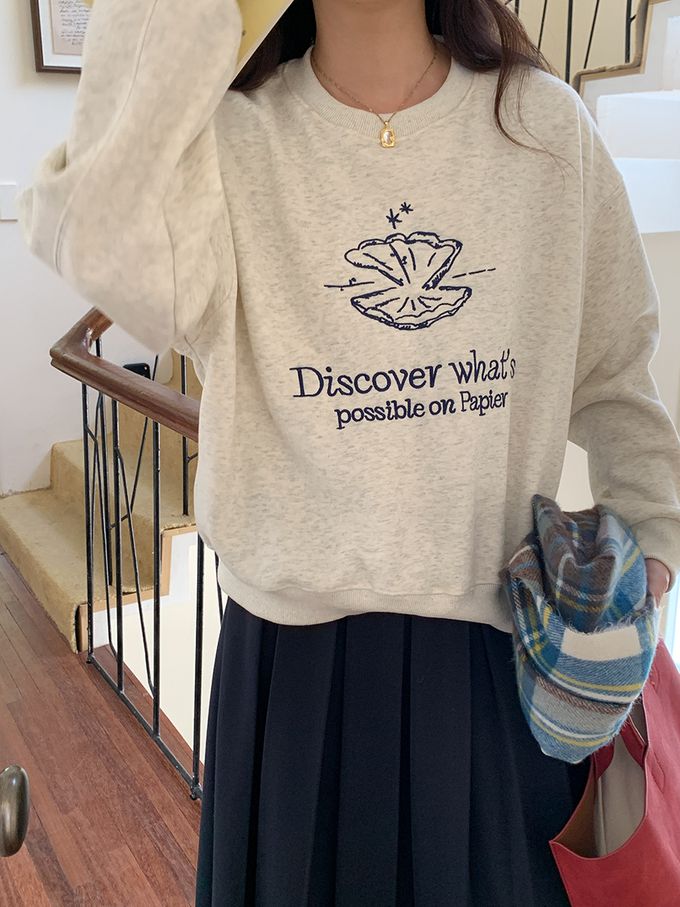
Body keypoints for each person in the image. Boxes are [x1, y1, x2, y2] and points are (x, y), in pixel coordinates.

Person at [17, 0, 680, 904]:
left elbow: (616, 374)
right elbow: (88, 230)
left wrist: (652, 546)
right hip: (290, 680)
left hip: (495, 670)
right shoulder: (231, 143)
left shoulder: (541, 128)